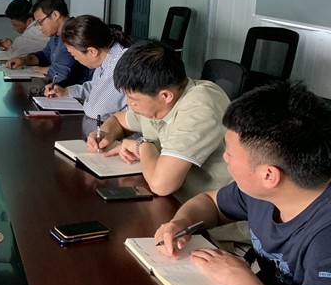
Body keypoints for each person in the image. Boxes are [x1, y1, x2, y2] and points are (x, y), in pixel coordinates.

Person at [153, 82, 331, 285]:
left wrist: (237, 276)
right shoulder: (270, 189)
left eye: (230, 153)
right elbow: (211, 203)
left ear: (269, 175)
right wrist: (180, 223)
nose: (224, 157)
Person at [89, 39, 232, 202]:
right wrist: (106, 132)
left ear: (165, 96)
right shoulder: (158, 102)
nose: (129, 103)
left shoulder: (199, 108)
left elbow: (161, 185)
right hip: (173, 201)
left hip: (208, 210)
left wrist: (142, 145)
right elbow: (117, 120)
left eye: (133, 99)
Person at [43, 15, 132, 120]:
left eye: (74, 55)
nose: (75, 59)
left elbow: (95, 111)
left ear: (92, 51)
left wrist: (88, 101)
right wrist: (66, 92)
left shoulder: (120, 65)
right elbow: (94, 87)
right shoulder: (107, 58)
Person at [5, 0, 92, 87]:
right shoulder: (56, 35)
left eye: (40, 22)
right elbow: (44, 56)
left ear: (55, 15)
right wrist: (24, 60)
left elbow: (59, 74)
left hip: (75, 90)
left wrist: (49, 70)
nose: (39, 28)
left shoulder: (72, 34)